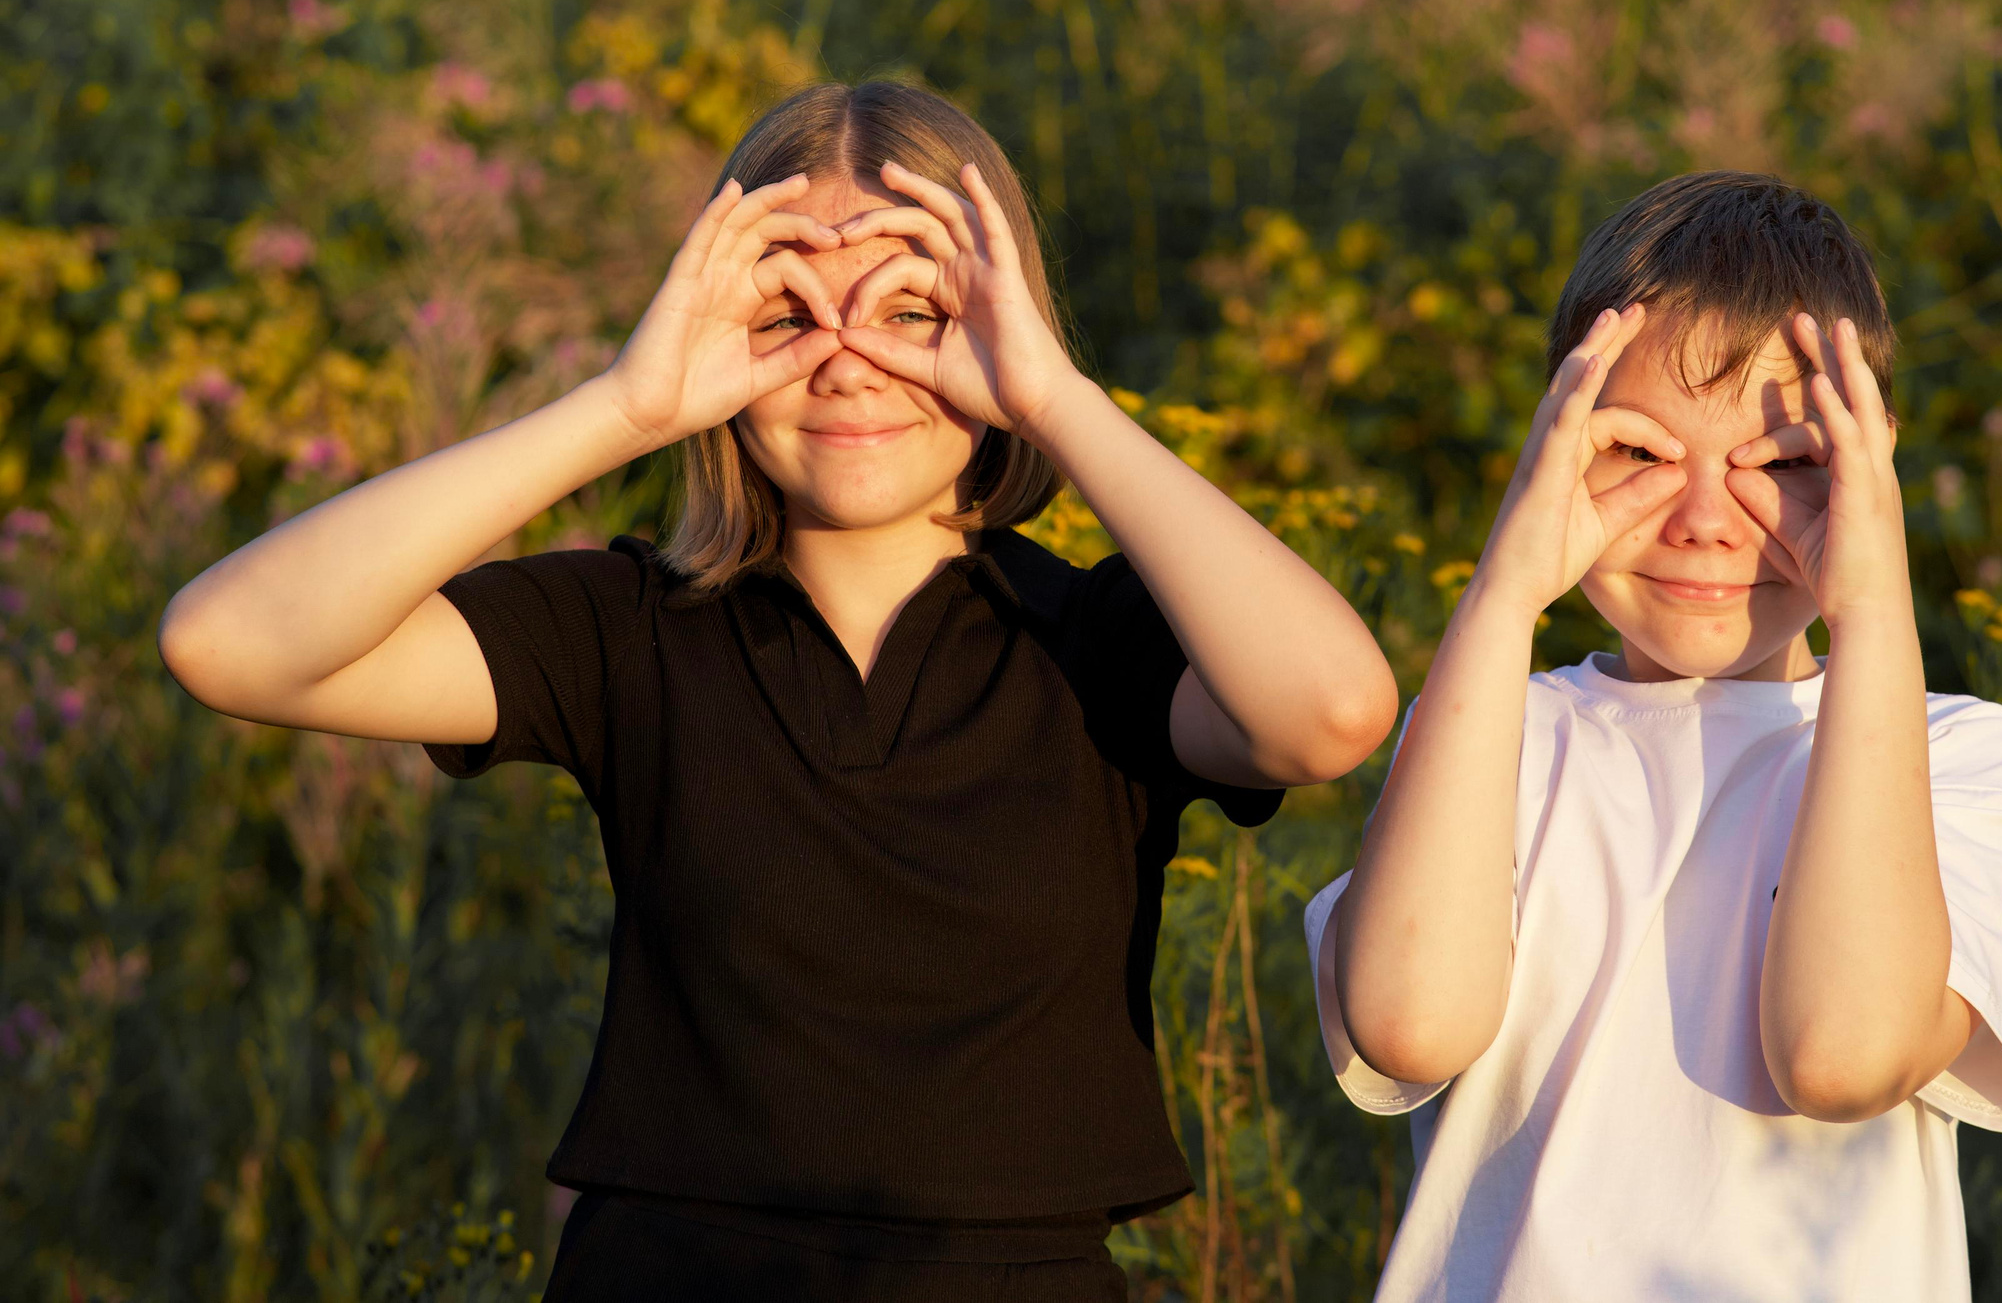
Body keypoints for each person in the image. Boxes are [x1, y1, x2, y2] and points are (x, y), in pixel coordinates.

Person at [159, 80, 1401, 1302]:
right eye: (789, 312)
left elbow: (1331, 715)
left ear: (1003, 326)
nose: (849, 362)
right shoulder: (629, 632)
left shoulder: (1097, 640)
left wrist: (1056, 402)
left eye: (915, 309)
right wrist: (625, 405)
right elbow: (231, 645)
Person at [1307, 172, 2002, 1301]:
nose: (1706, 519)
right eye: (1641, 454)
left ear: (1872, 464)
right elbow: (1410, 1024)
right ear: (1556, 443)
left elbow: (1842, 1053)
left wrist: (1872, 609)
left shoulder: (1956, 756)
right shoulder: (1493, 735)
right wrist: (1504, 594)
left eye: (1785, 466)